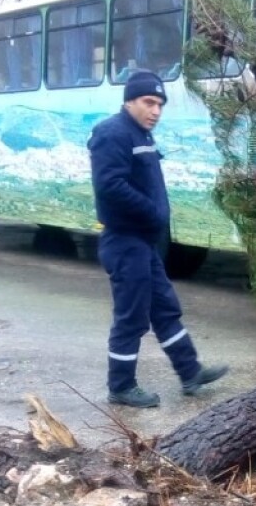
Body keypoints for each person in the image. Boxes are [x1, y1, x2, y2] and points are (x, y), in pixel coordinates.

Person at [88, 70, 228, 408]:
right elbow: (110, 186)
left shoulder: (141, 134)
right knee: (131, 317)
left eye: (160, 105)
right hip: (124, 242)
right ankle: (120, 387)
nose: (156, 111)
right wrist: (152, 212)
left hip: (143, 243)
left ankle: (190, 372)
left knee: (166, 309)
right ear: (130, 101)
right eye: (149, 102)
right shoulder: (112, 133)